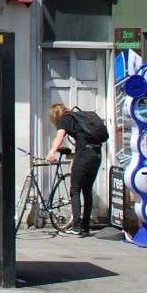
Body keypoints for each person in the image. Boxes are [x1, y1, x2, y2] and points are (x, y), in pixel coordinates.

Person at [45, 101, 102, 237]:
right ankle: (85, 227)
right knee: (87, 190)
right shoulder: (78, 117)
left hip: (84, 155)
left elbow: (60, 137)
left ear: (55, 115)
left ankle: (76, 227)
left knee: (75, 190)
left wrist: (51, 152)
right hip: (97, 154)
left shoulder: (64, 119)